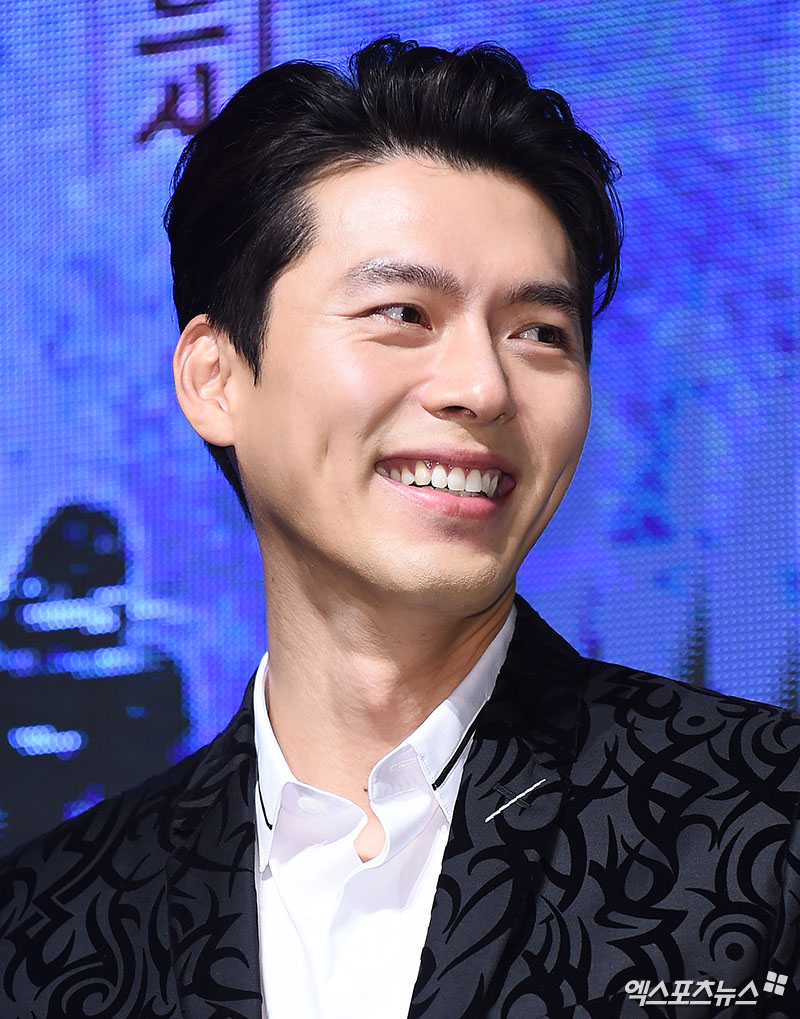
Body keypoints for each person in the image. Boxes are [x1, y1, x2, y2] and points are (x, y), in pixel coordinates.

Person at [1, 36, 798, 1019]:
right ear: (216, 377)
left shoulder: (766, 822)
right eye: (402, 313)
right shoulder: (42, 923)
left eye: (540, 332)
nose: (482, 386)